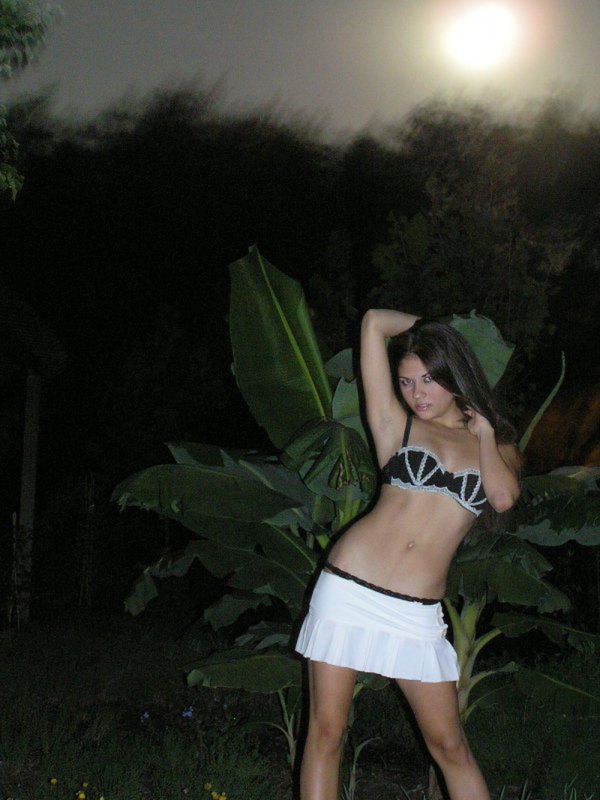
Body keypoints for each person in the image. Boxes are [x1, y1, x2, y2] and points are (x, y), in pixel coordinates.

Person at [295, 309, 521, 800]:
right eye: (406, 382)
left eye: (428, 380)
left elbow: (502, 498)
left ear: (453, 376)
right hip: (349, 588)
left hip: (416, 613)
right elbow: (374, 322)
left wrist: (483, 433)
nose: (416, 393)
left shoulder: (497, 444)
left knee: (451, 748)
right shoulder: (394, 424)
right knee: (327, 733)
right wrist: (434, 333)